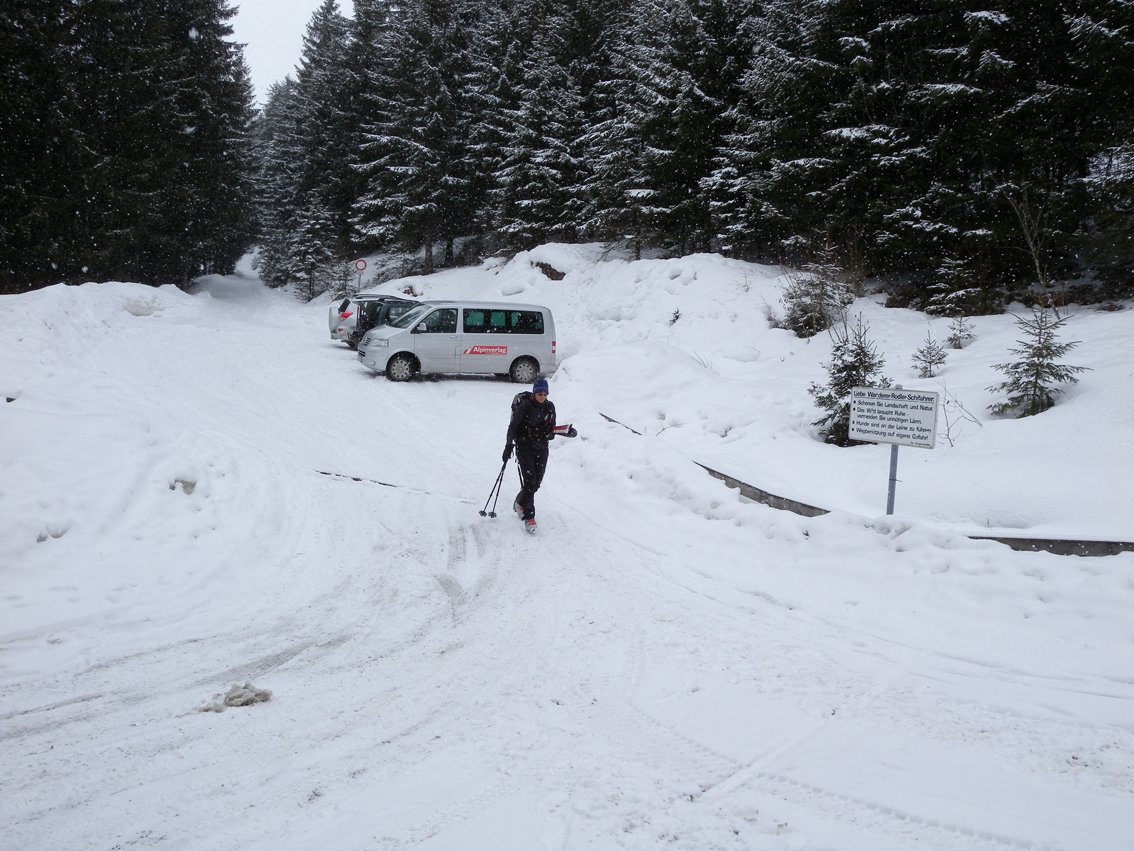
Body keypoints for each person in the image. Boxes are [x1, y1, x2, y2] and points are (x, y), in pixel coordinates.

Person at [502, 377, 575, 528]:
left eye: (544, 394)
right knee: (530, 481)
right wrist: (508, 445)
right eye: (539, 393)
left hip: (541, 446)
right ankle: (529, 516)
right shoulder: (526, 406)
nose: (542, 396)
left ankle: (520, 501)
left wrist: (564, 432)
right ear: (534, 393)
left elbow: (551, 428)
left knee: (536, 483)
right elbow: (513, 427)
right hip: (524, 445)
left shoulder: (550, 407)